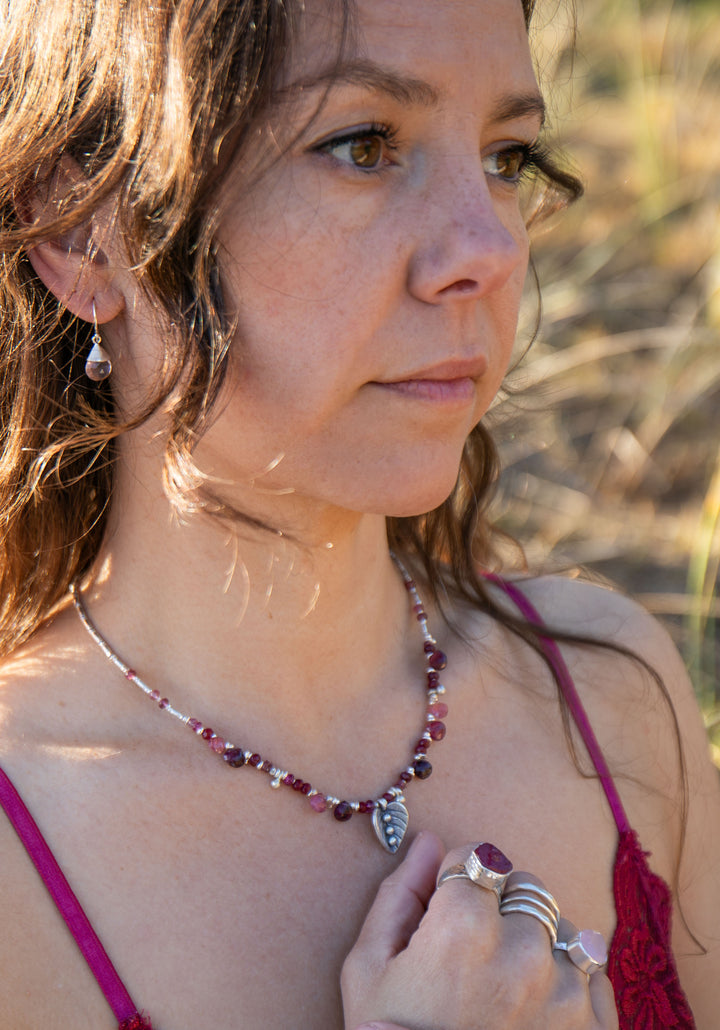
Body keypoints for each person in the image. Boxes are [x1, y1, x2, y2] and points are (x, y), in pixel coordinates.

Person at [0, 0, 717, 1027]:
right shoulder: (20, 856)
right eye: (364, 145)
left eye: (508, 155)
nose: (488, 247)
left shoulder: (611, 701)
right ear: (83, 232)